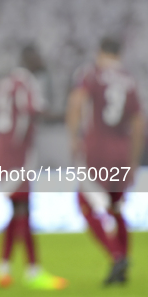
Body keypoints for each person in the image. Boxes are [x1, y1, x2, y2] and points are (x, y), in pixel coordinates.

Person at [67, 37, 145, 286]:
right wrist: (133, 160)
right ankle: (122, 266)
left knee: (84, 202)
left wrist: (73, 138)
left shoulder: (92, 73)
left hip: (97, 148)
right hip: (122, 151)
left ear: (100, 52)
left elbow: (77, 102)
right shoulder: (129, 80)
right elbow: (138, 122)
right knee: (117, 207)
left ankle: (117, 256)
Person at [0, 45, 67, 290]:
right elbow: (36, 110)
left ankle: (3, 269)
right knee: (23, 208)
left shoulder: (6, 82)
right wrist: (68, 115)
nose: (41, 60)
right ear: (30, 59)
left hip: (0, 149)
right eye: (38, 57)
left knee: (18, 208)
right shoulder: (27, 82)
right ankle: (33, 270)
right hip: (16, 152)